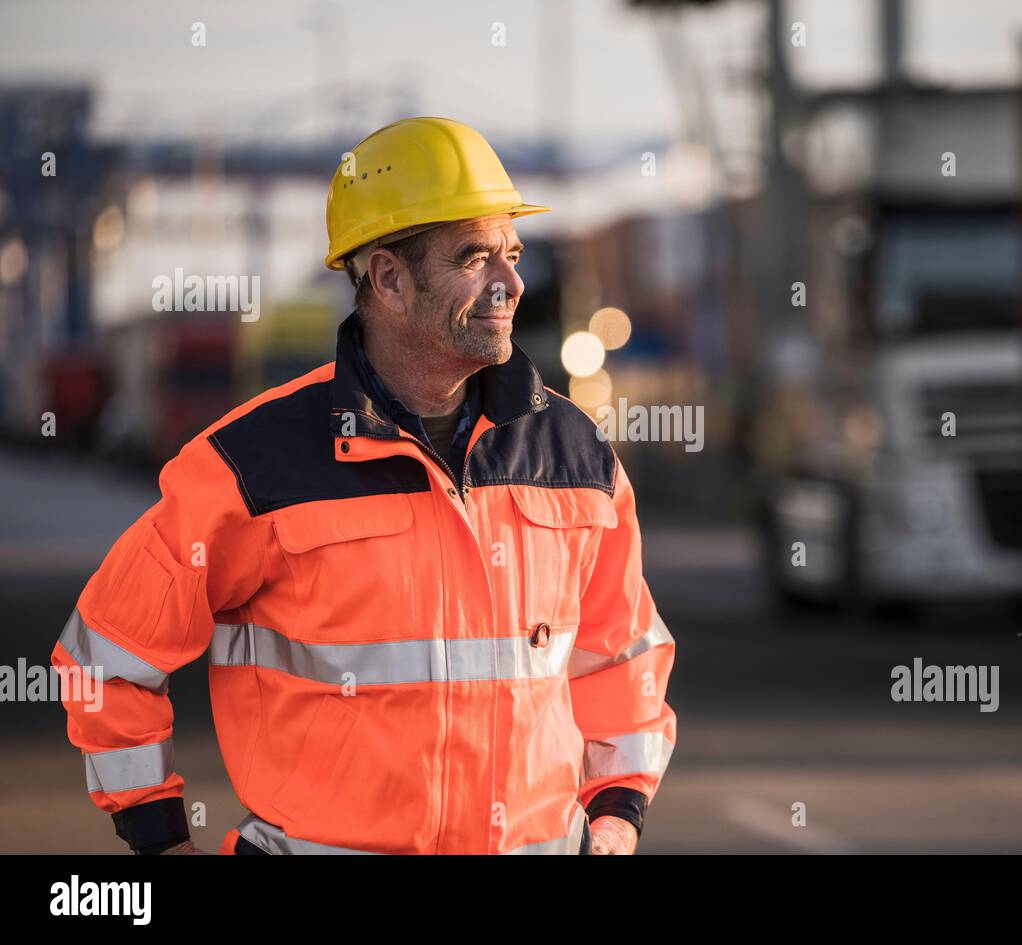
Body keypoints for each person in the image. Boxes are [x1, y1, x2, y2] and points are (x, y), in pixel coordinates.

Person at [51, 117, 677, 855]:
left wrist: (615, 819)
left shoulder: (577, 454)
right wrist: (158, 836)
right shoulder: (253, 465)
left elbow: (622, 655)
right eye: (475, 257)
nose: (510, 280)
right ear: (387, 278)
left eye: (511, 252)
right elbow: (107, 657)